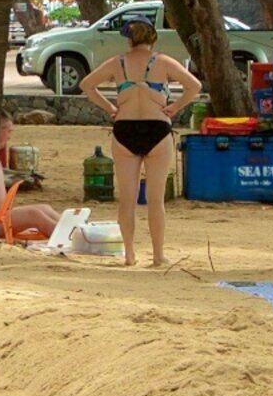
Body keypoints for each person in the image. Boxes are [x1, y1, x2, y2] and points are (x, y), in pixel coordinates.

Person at [81, 18, 200, 268]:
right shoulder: (163, 62)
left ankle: (129, 254)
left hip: (124, 128)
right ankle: (158, 255)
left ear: (128, 39)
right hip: (157, 128)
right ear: (153, 38)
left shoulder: (117, 63)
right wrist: (174, 107)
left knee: (127, 198)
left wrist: (110, 107)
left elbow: (87, 85)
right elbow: (194, 85)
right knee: (155, 199)